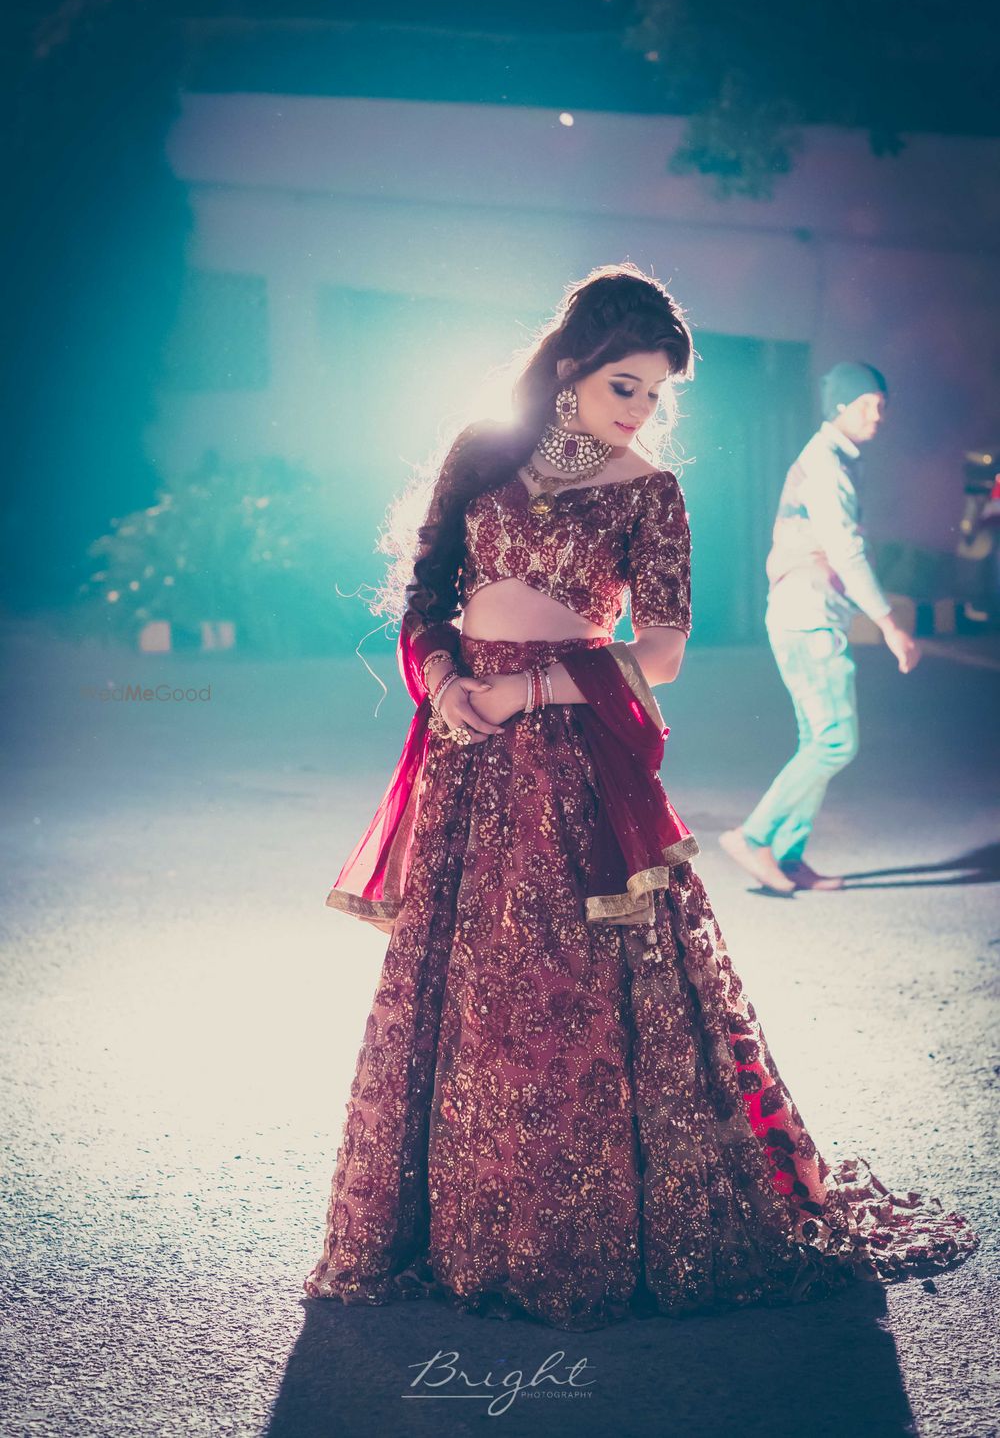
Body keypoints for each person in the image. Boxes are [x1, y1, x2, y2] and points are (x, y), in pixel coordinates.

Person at [303, 276, 976, 1332]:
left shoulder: (648, 490)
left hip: (572, 763)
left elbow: (658, 653)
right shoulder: (481, 450)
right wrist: (445, 686)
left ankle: (576, 1234)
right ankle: (452, 1231)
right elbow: (426, 594)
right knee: (462, 987)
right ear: (568, 365)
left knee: (571, 995)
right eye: (627, 385)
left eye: (656, 395)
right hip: (466, 750)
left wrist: (520, 690)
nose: (640, 410)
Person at [720, 363, 922, 895]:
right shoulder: (826, 464)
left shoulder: (826, 460)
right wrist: (888, 623)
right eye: (868, 404)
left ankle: (786, 858)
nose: (879, 414)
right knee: (835, 742)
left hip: (804, 613)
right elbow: (846, 551)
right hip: (807, 616)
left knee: (819, 738)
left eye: (881, 403)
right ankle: (753, 836)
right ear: (841, 406)